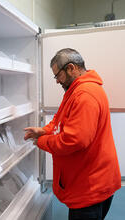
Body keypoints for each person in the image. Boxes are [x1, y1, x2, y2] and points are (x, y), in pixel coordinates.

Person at [24, 48, 121, 220]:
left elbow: (74, 140)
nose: (56, 81)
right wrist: (44, 130)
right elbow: (60, 119)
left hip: (90, 187)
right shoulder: (76, 91)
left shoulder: (84, 95)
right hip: (91, 180)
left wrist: (42, 141)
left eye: (57, 75)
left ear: (71, 68)